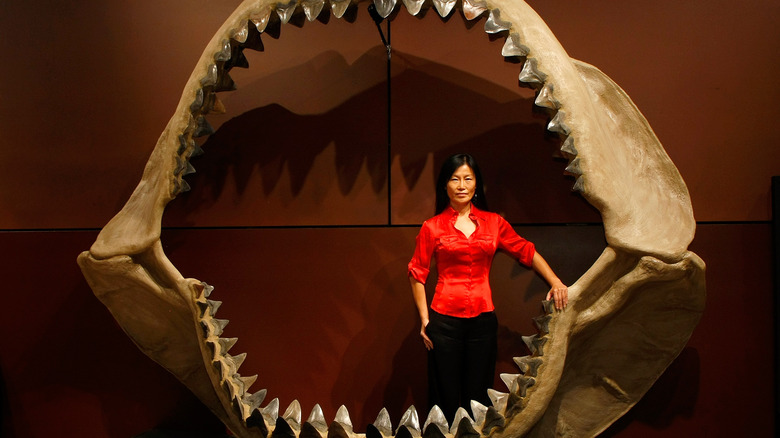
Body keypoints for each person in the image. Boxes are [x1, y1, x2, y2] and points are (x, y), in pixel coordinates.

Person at [407, 153, 568, 422]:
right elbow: (416, 273)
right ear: (445, 185)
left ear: (476, 184)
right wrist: (425, 319)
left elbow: (525, 251)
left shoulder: (494, 223)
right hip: (444, 321)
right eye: (454, 179)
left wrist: (556, 282)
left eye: (467, 179)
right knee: (443, 399)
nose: (461, 185)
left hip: (482, 321)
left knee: (478, 399)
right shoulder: (432, 227)